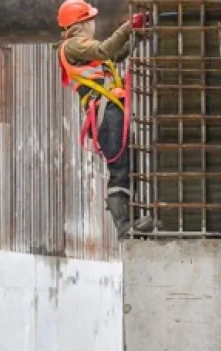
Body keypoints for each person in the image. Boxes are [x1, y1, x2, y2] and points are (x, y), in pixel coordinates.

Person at [58, 0, 156, 236]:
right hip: (105, 112)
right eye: (90, 20)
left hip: (112, 109)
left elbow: (115, 55)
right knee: (120, 167)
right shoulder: (73, 45)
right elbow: (105, 51)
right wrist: (127, 27)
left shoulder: (85, 48)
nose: (94, 23)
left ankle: (132, 220)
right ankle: (123, 225)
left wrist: (137, 35)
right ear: (81, 23)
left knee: (127, 163)